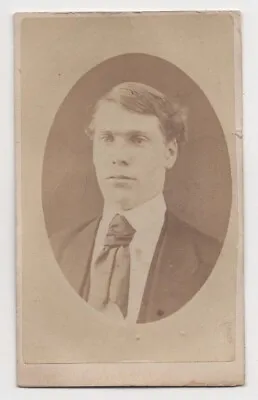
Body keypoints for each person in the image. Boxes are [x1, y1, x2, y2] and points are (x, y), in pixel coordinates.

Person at [51, 82, 222, 324]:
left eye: (138, 140)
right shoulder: (58, 251)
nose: (119, 157)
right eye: (107, 138)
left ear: (170, 152)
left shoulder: (210, 262)